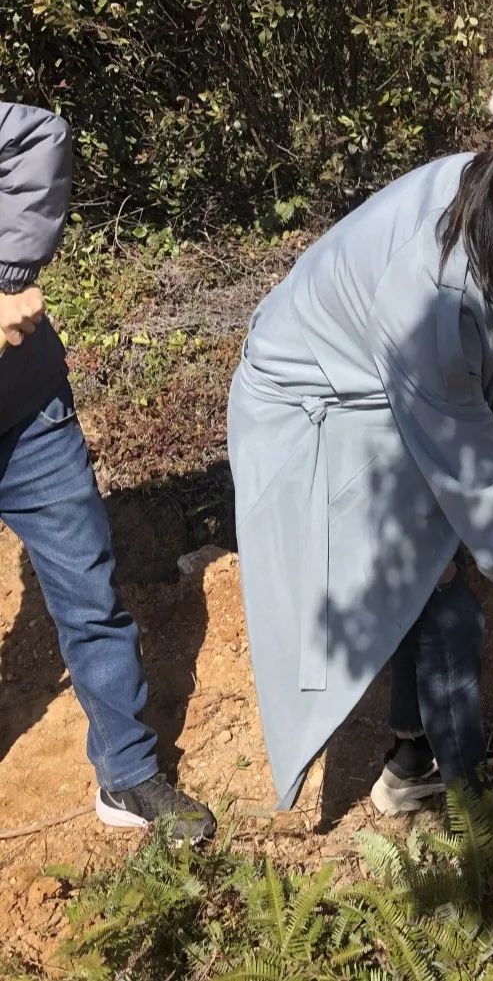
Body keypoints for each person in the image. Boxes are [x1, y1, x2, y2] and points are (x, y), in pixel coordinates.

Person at [228, 67, 493, 815]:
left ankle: (409, 755)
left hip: (390, 384)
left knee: (433, 578)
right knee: (446, 594)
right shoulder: (430, 292)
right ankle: (471, 804)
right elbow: (473, 477)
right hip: (321, 407)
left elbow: (492, 363)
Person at [0, 101, 216, 840]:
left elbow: (37, 133)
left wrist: (7, 273)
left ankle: (126, 774)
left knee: (89, 590)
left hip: (25, 412)